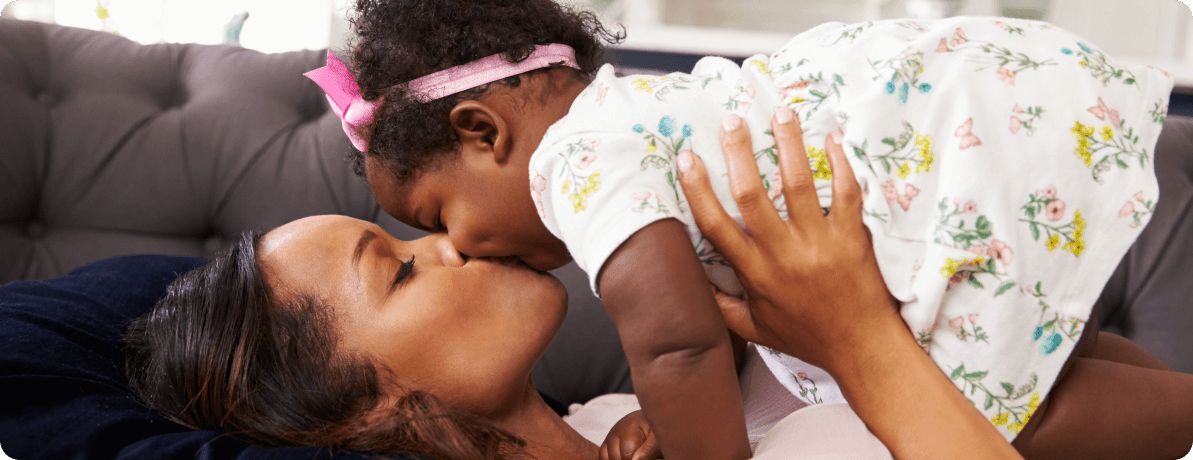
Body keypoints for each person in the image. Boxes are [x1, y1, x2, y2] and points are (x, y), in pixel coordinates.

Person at [306, 0, 1186, 457]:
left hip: (924, 176)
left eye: (435, 218)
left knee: (998, 420)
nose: (457, 246)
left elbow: (678, 345)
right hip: (960, 134)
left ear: (482, 133)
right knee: (1048, 354)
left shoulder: (573, 166)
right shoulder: (635, 113)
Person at [124, 118, 1046, 460]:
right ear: (367, 414)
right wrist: (859, 336)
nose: (446, 244)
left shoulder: (622, 416)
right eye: (399, 269)